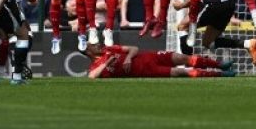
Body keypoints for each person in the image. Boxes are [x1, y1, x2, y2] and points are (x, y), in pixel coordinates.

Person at [85, 43, 235, 78]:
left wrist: (128, 58)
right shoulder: (96, 66)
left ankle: (220, 65)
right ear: (88, 52)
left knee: (181, 57)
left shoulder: (109, 48)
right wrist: (106, 63)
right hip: (146, 71)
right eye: (92, 45)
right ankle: (219, 75)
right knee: (180, 72)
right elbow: (91, 77)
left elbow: (133, 48)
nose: (97, 44)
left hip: (149, 57)